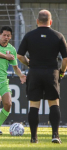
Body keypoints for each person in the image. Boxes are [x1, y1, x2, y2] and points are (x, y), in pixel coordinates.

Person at [17, 10, 67, 144]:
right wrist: (61, 72)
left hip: (34, 72)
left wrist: (29, 64)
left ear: (37, 21)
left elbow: (20, 56)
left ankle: (34, 138)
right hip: (52, 73)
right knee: (54, 103)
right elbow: (65, 59)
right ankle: (55, 135)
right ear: (50, 22)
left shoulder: (29, 36)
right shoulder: (58, 36)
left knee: (34, 105)